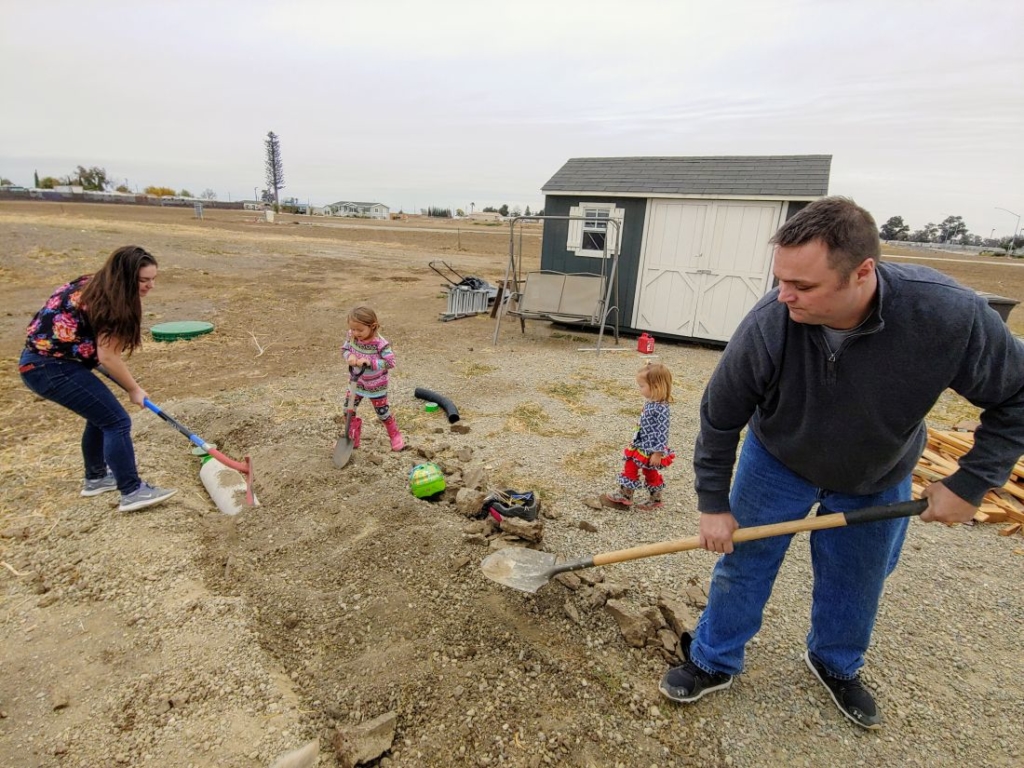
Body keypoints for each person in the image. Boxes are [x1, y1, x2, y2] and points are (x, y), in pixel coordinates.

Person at [659, 196, 1024, 729]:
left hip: (877, 472)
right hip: (777, 459)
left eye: (802, 286)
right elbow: (719, 417)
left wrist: (971, 483)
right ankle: (713, 659)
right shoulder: (772, 321)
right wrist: (713, 504)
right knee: (744, 564)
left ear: (862, 272)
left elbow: (1016, 397)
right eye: (780, 279)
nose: (782, 296)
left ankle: (835, 663)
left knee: (859, 577)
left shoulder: (947, 316)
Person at [19, 246, 178, 513]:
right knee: (116, 421)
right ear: (126, 277)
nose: (151, 286)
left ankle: (96, 477)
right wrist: (133, 389)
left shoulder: (95, 284)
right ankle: (132, 491)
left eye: (154, 279)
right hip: (50, 367)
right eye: (144, 280)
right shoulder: (112, 304)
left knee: (101, 415)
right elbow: (108, 357)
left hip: (46, 362)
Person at [600, 362, 676, 511]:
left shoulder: (661, 409)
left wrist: (658, 453)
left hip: (650, 448)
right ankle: (627, 494)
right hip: (640, 444)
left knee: (648, 470)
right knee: (631, 464)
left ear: (655, 387)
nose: (640, 390)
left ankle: (651, 497)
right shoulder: (651, 402)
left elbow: (662, 432)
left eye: (642, 386)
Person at [341, 306, 405, 451]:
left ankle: (395, 435)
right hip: (356, 383)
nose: (356, 333)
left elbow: (390, 362)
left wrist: (371, 362)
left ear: (373, 326)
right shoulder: (352, 336)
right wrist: (349, 356)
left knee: (382, 413)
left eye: (360, 330)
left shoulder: (380, 344)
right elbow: (344, 349)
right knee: (348, 410)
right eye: (353, 329)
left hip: (376, 386)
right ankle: (352, 437)